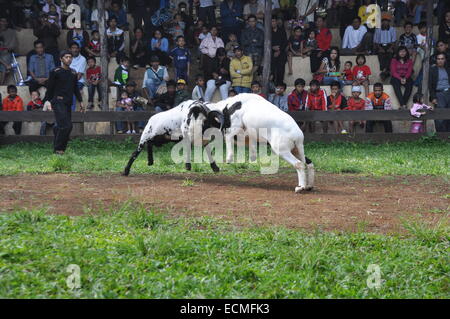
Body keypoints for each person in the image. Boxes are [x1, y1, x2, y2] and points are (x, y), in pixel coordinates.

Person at [43, 50, 84, 154]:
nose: (68, 59)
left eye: (70, 57)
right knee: (67, 126)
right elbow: (50, 87)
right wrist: (47, 100)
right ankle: (59, 149)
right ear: (61, 59)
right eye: (66, 57)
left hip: (68, 102)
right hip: (58, 101)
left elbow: (75, 88)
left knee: (59, 126)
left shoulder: (73, 72)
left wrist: (81, 101)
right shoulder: (55, 71)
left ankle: (59, 148)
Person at [429, 53, 450, 132]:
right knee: (440, 115)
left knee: (448, 114)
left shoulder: (448, 69)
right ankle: (440, 135)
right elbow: (430, 85)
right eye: (438, 59)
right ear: (436, 60)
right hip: (439, 93)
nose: (440, 61)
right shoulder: (433, 70)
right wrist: (433, 97)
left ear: (445, 60)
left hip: (448, 92)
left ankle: (448, 135)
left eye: (442, 59)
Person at [374, 15, 397, 81]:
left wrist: (391, 48)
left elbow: (394, 41)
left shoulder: (392, 29)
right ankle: (386, 71)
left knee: (390, 54)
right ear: (382, 22)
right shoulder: (378, 29)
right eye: (384, 21)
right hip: (380, 45)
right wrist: (380, 48)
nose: (385, 23)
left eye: (387, 21)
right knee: (381, 54)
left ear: (389, 22)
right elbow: (376, 41)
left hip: (390, 45)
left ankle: (384, 71)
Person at [69, 42, 87, 112]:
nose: (75, 50)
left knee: (72, 91)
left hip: (78, 82)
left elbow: (78, 76)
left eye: (77, 48)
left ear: (79, 49)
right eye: (73, 48)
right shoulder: (66, 57)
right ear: (70, 49)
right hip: (67, 81)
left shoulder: (83, 59)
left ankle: (71, 113)